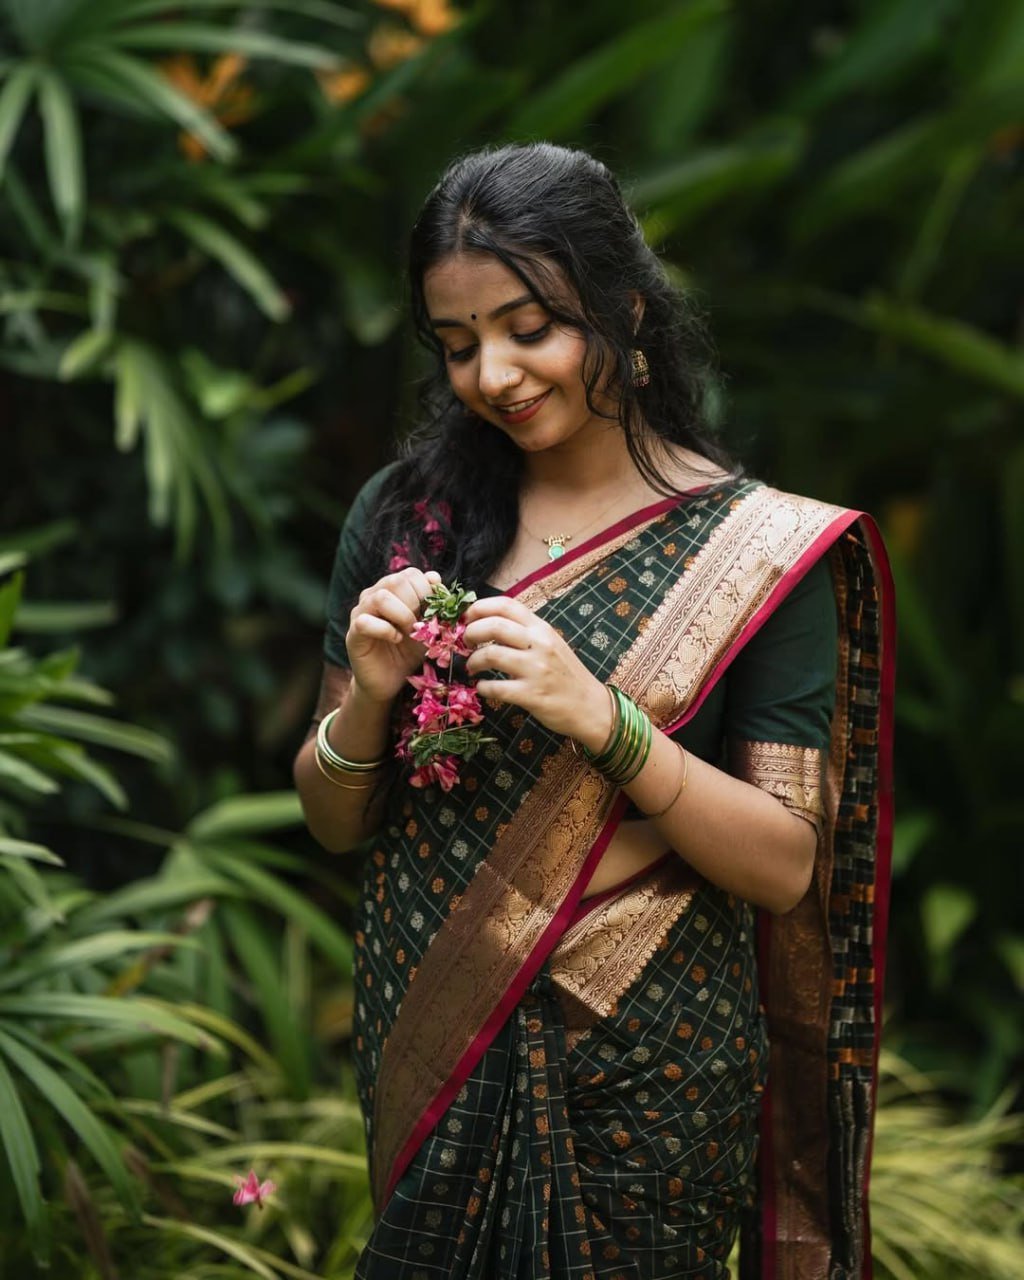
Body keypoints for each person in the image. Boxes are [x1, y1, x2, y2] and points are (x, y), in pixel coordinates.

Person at [293, 143, 895, 1280]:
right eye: (459, 344)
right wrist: (368, 701)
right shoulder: (405, 517)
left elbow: (781, 864)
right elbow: (332, 820)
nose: (496, 375)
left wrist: (603, 717)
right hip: (436, 1031)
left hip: (650, 1066)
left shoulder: (756, 552)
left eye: (532, 327)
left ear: (621, 307)